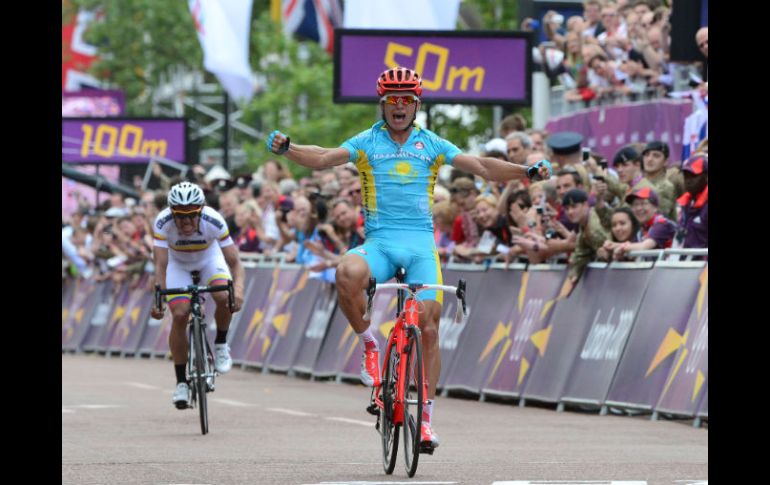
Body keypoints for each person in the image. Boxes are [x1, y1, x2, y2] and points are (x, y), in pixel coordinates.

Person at [265, 67, 551, 451]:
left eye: (407, 100)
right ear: (382, 105)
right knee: (346, 271)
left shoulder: (431, 144)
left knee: (429, 328)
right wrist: (289, 148)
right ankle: (370, 345)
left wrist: (525, 172)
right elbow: (323, 158)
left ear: (417, 105)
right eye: (392, 100)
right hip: (381, 244)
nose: (399, 106)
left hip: (420, 248)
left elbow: (482, 166)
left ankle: (426, 421)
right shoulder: (367, 141)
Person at [150, 182, 245, 409]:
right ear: (172, 213)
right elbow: (161, 265)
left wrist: (239, 290)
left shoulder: (214, 220)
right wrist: (158, 300)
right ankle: (181, 382)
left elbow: (235, 262)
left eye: (192, 215)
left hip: (209, 260)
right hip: (178, 265)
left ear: (201, 211)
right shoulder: (162, 222)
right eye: (180, 216)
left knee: (224, 297)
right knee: (180, 315)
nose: (186, 222)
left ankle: (221, 344)